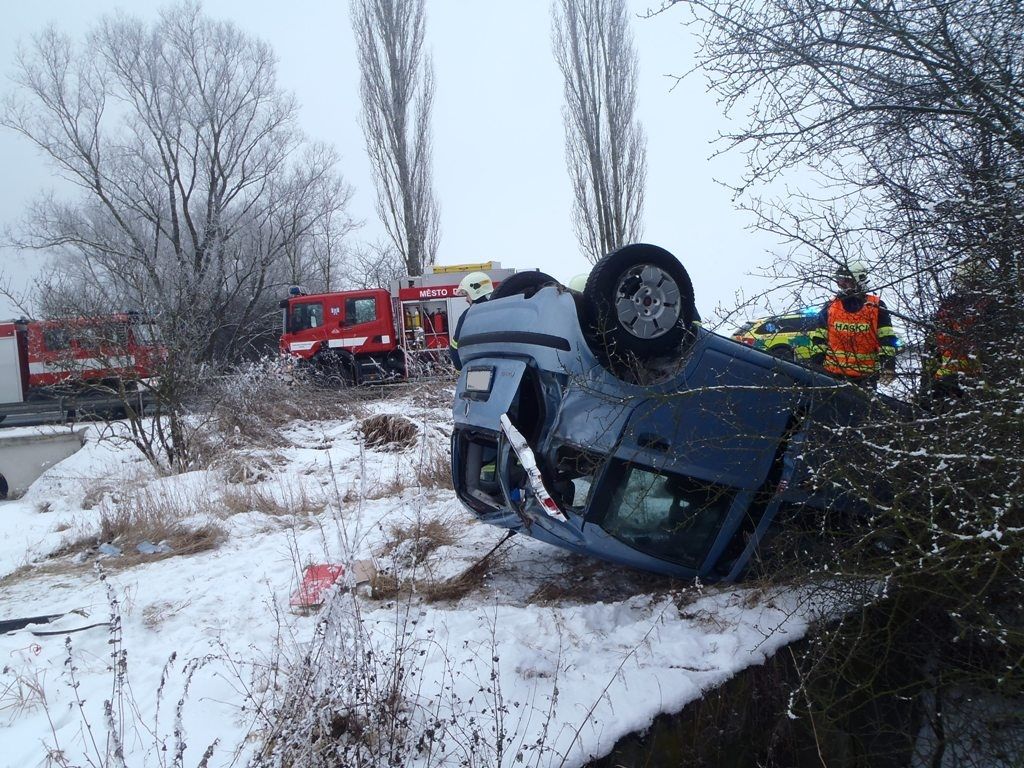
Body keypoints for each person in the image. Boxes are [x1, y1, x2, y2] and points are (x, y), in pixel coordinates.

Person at [809, 259, 899, 386]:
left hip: (865, 378)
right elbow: (819, 339)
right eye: (839, 281)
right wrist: (816, 366)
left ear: (857, 280)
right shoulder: (831, 306)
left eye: (845, 281)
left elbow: (887, 339)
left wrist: (888, 366)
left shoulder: (876, 306)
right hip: (832, 376)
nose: (840, 285)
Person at [922, 259, 992, 403]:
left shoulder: (990, 305)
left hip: (981, 378)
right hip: (948, 377)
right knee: (927, 402)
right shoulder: (948, 305)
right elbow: (933, 343)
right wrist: (926, 380)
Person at [449, 271, 494, 371]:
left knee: (476, 386)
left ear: (475, 292)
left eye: (467, 294)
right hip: (506, 370)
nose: (466, 299)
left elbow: (455, 349)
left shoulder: (468, 316)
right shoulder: (504, 309)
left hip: (477, 371)